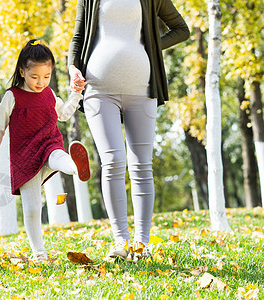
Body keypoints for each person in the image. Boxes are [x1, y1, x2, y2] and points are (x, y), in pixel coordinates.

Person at [68, 0, 190, 259]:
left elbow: (181, 29)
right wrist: (72, 68)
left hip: (142, 89)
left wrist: (151, 47)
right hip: (98, 90)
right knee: (112, 161)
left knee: (142, 165)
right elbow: (79, 35)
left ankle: (142, 244)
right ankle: (121, 242)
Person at [0, 39, 90, 262]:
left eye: (46, 77)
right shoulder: (12, 96)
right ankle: (39, 252)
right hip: (24, 158)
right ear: (22, 71)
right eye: (34, 77)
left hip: (49, 144)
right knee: (32, 209)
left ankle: (75, 166)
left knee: (57, 156)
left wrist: (76, 94)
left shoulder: (50, 94)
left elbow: (63, 114)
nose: (41, 82)